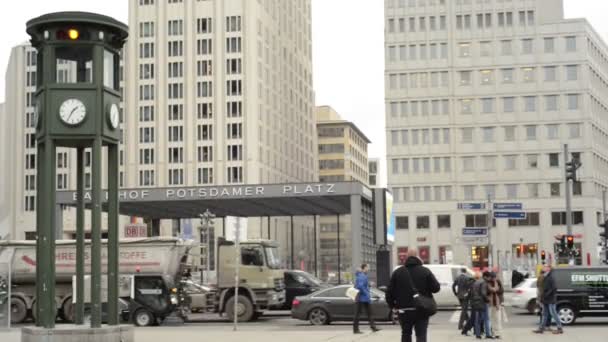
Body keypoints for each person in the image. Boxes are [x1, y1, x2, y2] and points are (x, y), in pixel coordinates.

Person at [386, 248, 440, 342]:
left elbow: (389, 292)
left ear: (406, 257)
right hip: (422, 309)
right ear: (417, 257)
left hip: (404, 310)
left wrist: (393, 305)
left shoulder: (398, 272)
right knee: (421, 335)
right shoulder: (425, 271)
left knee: (406, 334)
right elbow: (436, 288)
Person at [533, 265, 563, 334]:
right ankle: (541, 328)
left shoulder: (551, 277)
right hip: (545, 299)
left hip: (550, 299)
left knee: (553, 313)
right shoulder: (545, 276)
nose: (544, 267)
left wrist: (546, 295)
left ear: (549, 269)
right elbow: (542, 287)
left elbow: (554, 288)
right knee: (545, 314)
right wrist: (542, 297)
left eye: (545, 267)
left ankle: (560, 328)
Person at [353, 264, 379, 334]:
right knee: (358, 314)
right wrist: (366, 293)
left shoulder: (363, 276)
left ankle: (373, 327)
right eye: (368, 267)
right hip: (361, 298)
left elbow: (363, 285)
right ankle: (356, 330)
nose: (369, 269)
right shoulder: (362, 276)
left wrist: (369, 284)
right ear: (364, 268)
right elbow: (360, 286)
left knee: (369, 313)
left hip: (364, 298)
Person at [471, 271, 493, 339]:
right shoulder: (484, 282)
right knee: (486, 319)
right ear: (485, 276)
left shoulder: (476, 282)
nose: (489, 279)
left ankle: (478, 334)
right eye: (489, 277)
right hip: (482, 302)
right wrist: (488, 300)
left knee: (477, 319)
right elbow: (483, 293)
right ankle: (488, 334)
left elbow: (472, 293)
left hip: (476, 302)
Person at [487, 272, 504, 339]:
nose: (494, 279)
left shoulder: (498, 282)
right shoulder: (488, 283)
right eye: (493, 277)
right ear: (491, 277)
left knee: (498, 319)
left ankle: (498, 334)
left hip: (497, 304)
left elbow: (501, 291)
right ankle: (493, 333)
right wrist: (493, 290)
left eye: (495, 277)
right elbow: (487, 292)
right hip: (490, 304)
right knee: (492, 319)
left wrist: (496, 290)